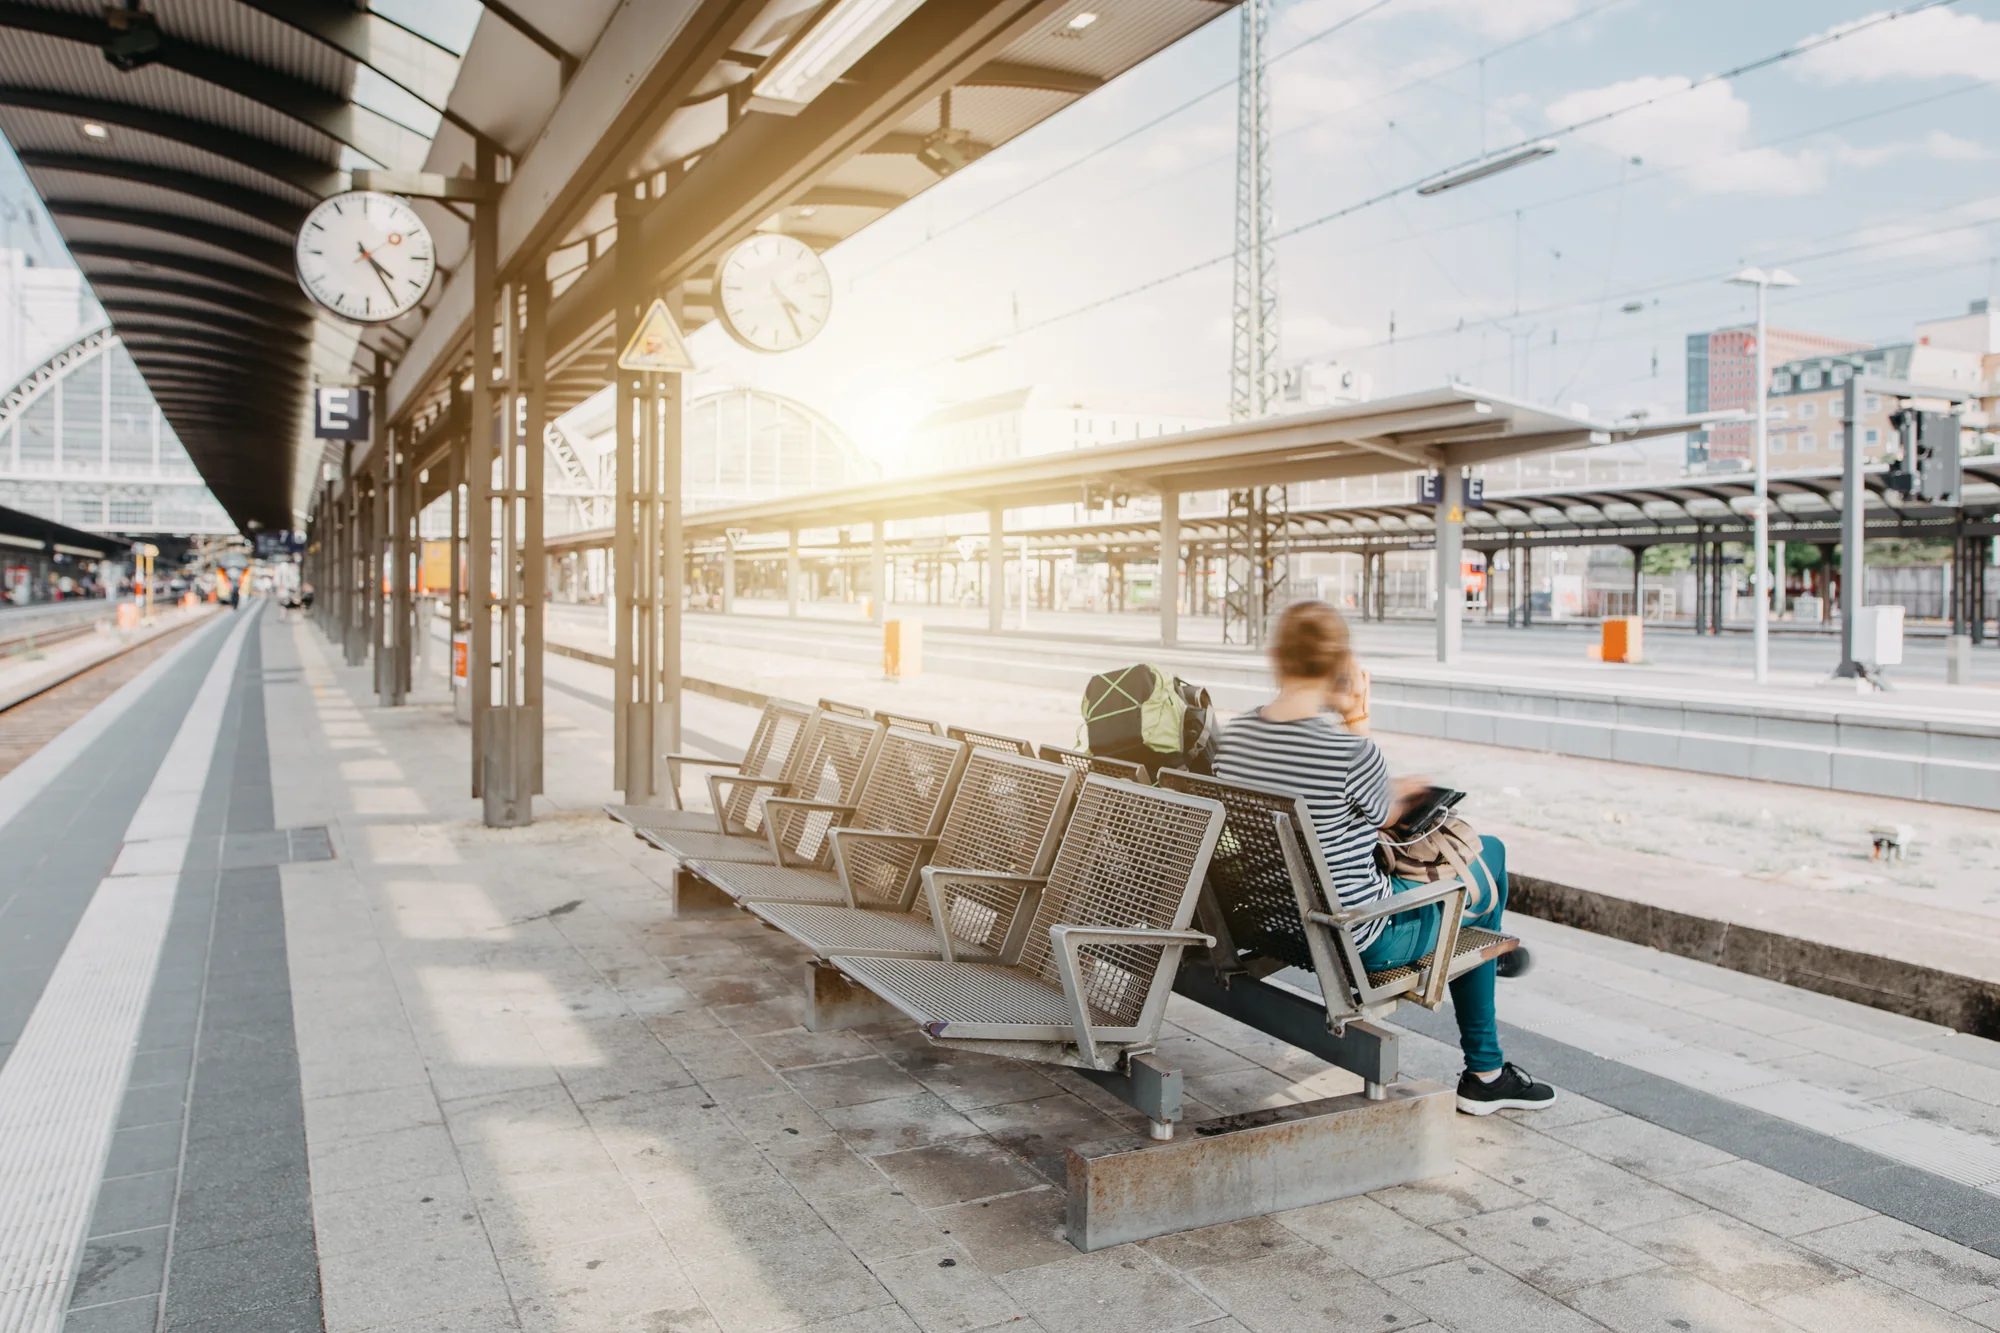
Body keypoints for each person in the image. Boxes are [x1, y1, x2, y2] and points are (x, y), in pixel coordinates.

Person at [1214, 600, 1555, 1116]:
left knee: (1468, 892)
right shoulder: (1351, 751)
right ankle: (1485, 1069)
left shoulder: (1234, 737)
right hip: (1358, 936)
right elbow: (1382, 815)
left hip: (1273, 921)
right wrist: (1357, 718)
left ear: (1276, 656)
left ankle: (1490, 965)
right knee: (1487, 860)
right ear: (1339, 666)